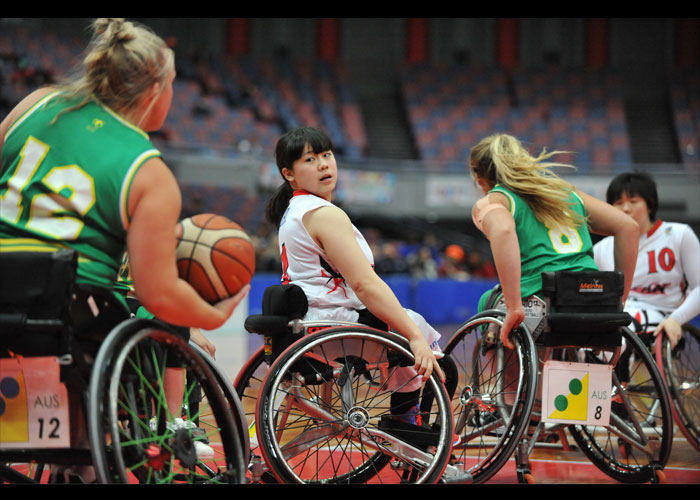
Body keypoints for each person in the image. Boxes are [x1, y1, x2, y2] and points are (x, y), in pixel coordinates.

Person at [0, 18, 247, 480]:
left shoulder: (37, 104)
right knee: (141, 324)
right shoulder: (146, 170)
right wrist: (214, 314)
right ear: (154, 90)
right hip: (66, 308)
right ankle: (105, 451)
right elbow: (159, 296)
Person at [264, 126, 449, 423]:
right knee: (429, 349)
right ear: (289, 174)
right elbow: (364, 285)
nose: (324, 164)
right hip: (332, 326)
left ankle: (409, 428)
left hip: (311, 322)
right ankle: (413, 435)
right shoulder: (323, 214)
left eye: (326, 155)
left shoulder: (294, 211)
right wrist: (413, 336)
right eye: (310, 160)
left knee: (406, 326)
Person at [468, 134, 639, 349]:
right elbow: (629, 227)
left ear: (480, 178)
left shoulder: (493, 200)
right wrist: (619, 301)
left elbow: (503, 230)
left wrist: (514, 306)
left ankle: (505, 383)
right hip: (596, 297)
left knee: (489, 300)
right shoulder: (565, 193)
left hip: (546, 300)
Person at [593, 172, 700, 348]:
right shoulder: (601, 248)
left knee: (618, 337)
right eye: (618, 203)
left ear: (649, 206)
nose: (625, 208)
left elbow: (698, 288)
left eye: (633, 201)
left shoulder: (679, 235)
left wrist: (676, 319)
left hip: (662, 314)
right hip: (619, 314)